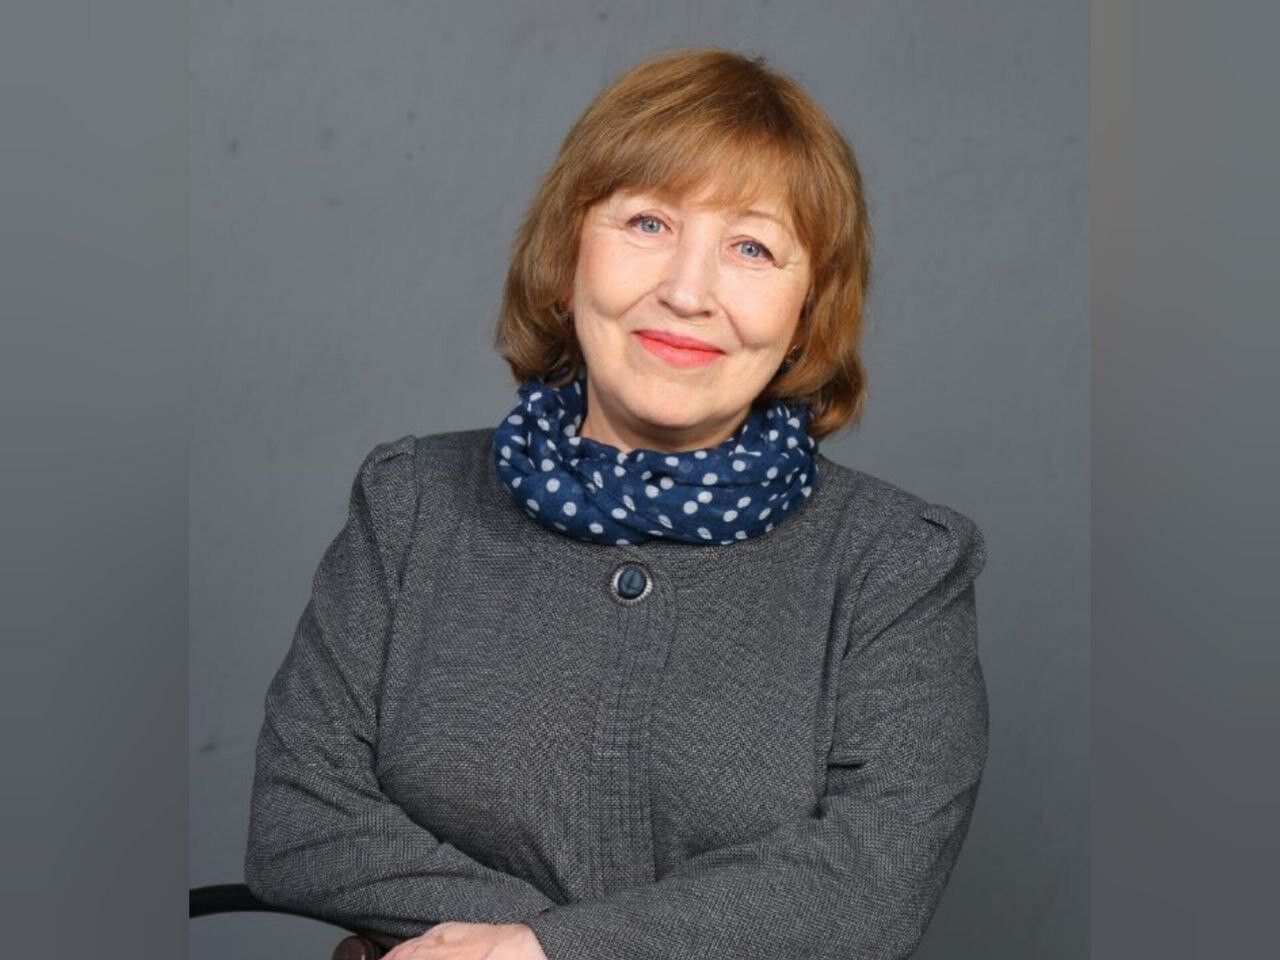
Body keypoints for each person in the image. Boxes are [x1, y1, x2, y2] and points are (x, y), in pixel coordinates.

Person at [244, 47, 990, 960]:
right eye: (647, 223)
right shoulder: (411, 504)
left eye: (752, 248)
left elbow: (872, 887)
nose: (686, 291)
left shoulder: (899, 563)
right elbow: (299, 821)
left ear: (807, 314)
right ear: (567, 259)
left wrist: (548, 950)